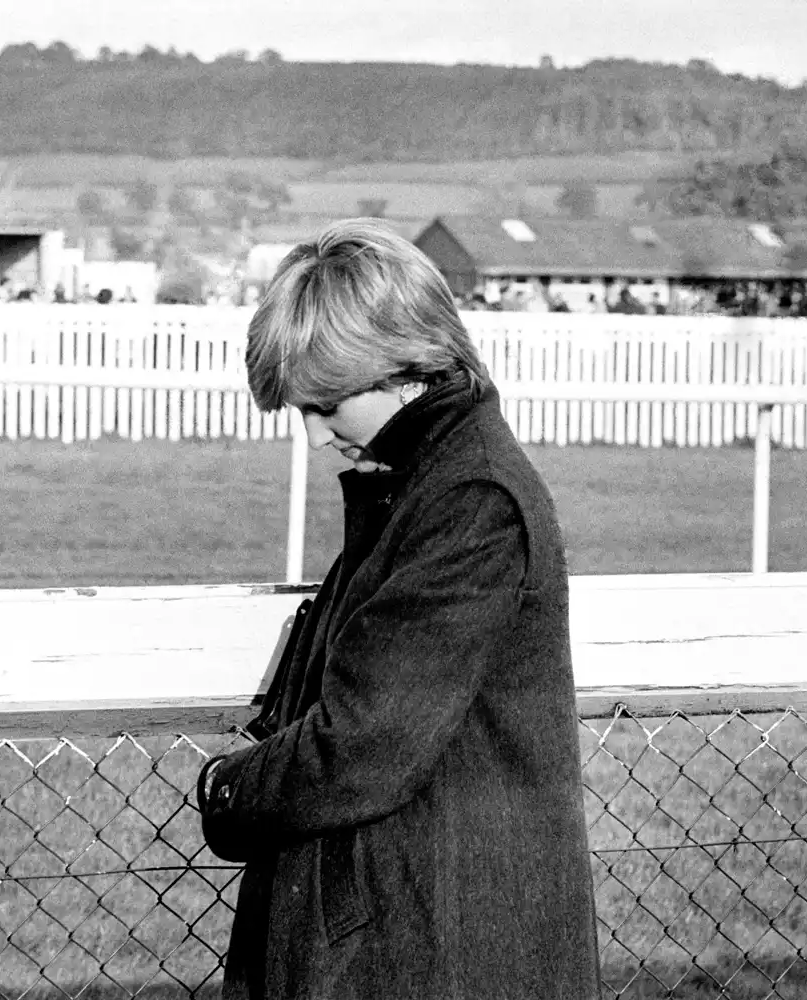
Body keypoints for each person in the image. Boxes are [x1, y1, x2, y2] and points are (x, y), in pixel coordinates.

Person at [197, 219, 599, 1000]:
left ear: (403, 368)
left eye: (325, 406)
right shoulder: (428, 485)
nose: (314, 438)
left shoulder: (470, 500)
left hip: (441, 943)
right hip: (418, 924)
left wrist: (227, 791)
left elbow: (361, 747)